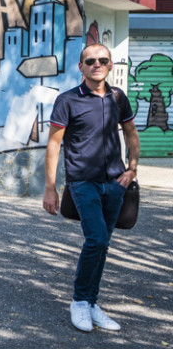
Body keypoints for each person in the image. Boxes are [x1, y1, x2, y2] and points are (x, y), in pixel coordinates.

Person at [43, 43, 139, 333]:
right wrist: (50, 187)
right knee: (96, 238)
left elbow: (131, 134)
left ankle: (92, 303)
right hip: (83, 182)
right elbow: (54, 143)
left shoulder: (118, 97)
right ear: (81, 67)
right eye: (90, 60)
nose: (96, 64)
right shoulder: (67, 100)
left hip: (115, 182)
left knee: (103, 244)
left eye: (102, 60)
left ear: (110, 65)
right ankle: (80, 302)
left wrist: (132, 169)